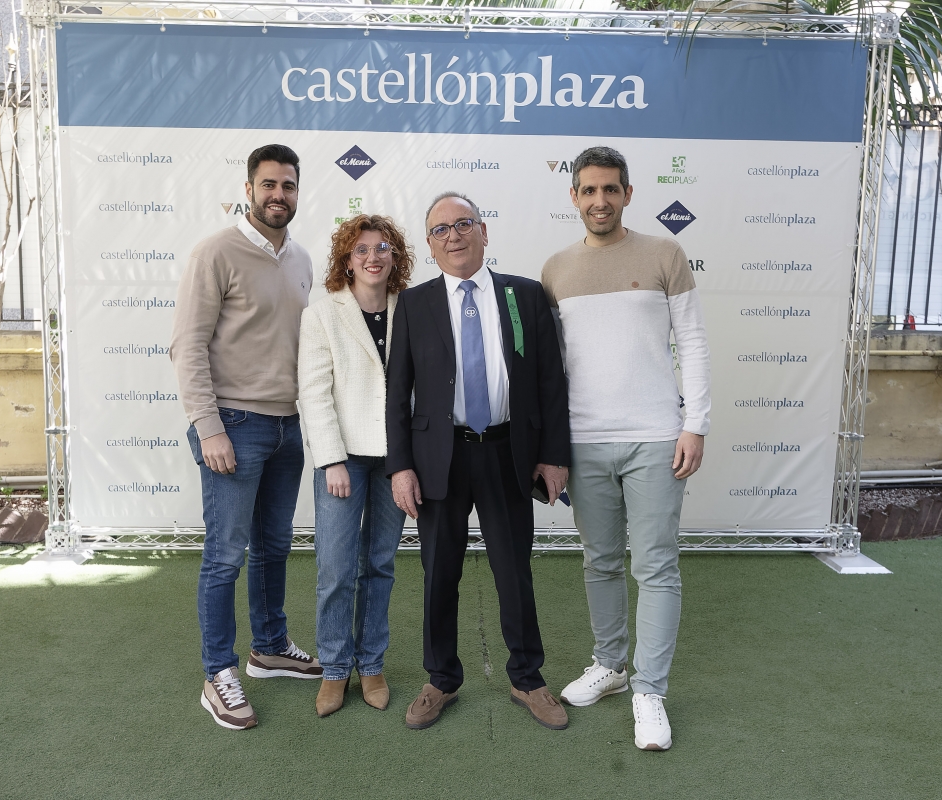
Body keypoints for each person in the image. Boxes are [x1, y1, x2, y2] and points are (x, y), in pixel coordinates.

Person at [542, 146, 710, 751]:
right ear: (574, 197)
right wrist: (552, 447)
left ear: (628, 194)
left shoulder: (665, 254)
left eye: (610, 189)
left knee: (656, 565)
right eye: (589, 190)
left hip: (656, 438)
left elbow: (692, 341)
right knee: (600, 561)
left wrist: (696, 424)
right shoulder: (555, 270)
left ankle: (649, 690)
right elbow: (551, 369)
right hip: (583, 440)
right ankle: (610, 665)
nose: (600, 200)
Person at [386, 192, 572, 731]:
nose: (454, 236)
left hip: (508, 453)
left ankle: (528, 678)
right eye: (441, 230)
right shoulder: (414, 304)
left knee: (513, 571)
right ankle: (440, 678)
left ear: (484, 232)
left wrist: (553, 455)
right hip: (438, 458)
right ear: (430, 245)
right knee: (439, 572)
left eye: (463, 224)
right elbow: (397, 393)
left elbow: (550, 381)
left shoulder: (525, 295)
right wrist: (401, 466)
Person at [170, 144, 323, 732]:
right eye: (268, 184)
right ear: (249, 189)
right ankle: (218, 673)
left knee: (275, 546)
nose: (278, 195)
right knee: (225, 556)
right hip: (232, 426)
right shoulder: (215, 252)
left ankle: (270, 646)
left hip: (288, 426)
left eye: (288, 185)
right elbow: (188, 344)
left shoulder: (301, 259)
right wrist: (208, 427)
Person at [297, 214, 414, 717]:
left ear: (395, 257)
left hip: (397, 461)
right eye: (361, 249)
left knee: (380, 565)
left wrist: (411, 459)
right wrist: (331, 461)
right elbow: (314, 392)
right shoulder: (323, 314)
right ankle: (334, 669)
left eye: (382, 248)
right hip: (343, 460)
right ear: (347, 260)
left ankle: (371, 664)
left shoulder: (412, 308)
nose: (372, 257)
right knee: (336, 569)